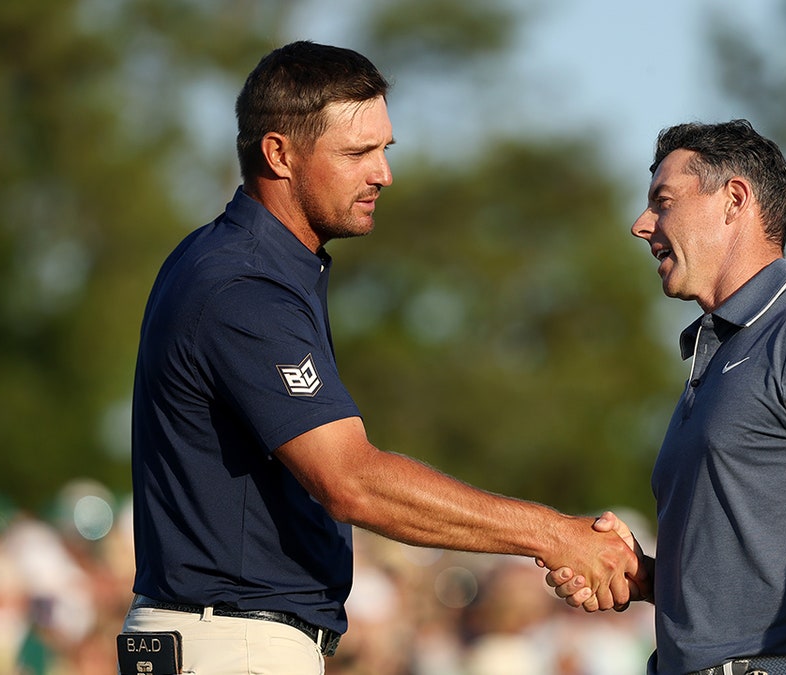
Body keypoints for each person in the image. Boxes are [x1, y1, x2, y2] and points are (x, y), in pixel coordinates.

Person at [120, 40, 637, 675]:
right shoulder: (244, 287)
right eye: (359, 153)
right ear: (278, 153)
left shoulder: (237, 262)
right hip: (234, 645)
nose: (383, 173)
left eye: (384, 150)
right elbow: (351, 480)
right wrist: (555, 534)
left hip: (225, 640)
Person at [550, 120, 786, 675]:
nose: (641, 224)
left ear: (734, 200)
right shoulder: (719, 352)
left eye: (663, 202)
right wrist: (647, 577)